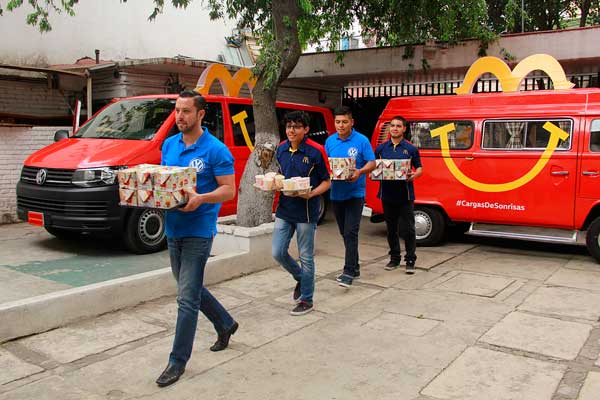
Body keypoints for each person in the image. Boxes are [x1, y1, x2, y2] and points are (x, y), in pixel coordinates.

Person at [156, 90, 238, 388]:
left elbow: (229, 190)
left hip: (199, 230)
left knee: (186, 298)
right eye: (177, 110)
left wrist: (202, 198)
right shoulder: (169, 145)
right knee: (188, 288)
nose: (179, 116)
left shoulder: (216, 150)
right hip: (173, 229)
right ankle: (226, 323)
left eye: (186, 111)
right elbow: (166, 183)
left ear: (201, 114)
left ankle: (177, 361)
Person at [272, 111, 331, 315]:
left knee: (306, 256)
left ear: (306, 130)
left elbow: (327, 181)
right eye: (288, 126)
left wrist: (312, 193)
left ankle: (307, 299)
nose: (291, 130)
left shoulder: (316, 151)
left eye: (296, 126)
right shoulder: (280, 149)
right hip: (284, 209)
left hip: (306, 211)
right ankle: (300, 277)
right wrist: (274, 183)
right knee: (277, 252)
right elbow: (280, 175)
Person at [325, 106, 376, 288]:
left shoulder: (361, 140)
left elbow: (372, 162)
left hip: (355, 193)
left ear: (351, 122)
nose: (341, 125)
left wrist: (360, 171)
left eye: (344, 122)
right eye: (338, 122)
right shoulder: (330, 141)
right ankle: (355, 267)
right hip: (336, 194)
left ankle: (348, 271)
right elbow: (327, 165)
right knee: (344, 233)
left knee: (351, 232)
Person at [375, 115, 423, 274]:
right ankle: (394, 258)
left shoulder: (410, 149)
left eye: (398, 126)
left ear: (404, 129)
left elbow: (420, 169)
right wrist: (372, 173)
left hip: (405, 196)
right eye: (392, 125)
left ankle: (410, 260)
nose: (394, 128)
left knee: (409, 229)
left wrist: (414, 175)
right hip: (387, 195)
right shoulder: (381, 148)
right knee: (391, 229)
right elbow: (373, 166)